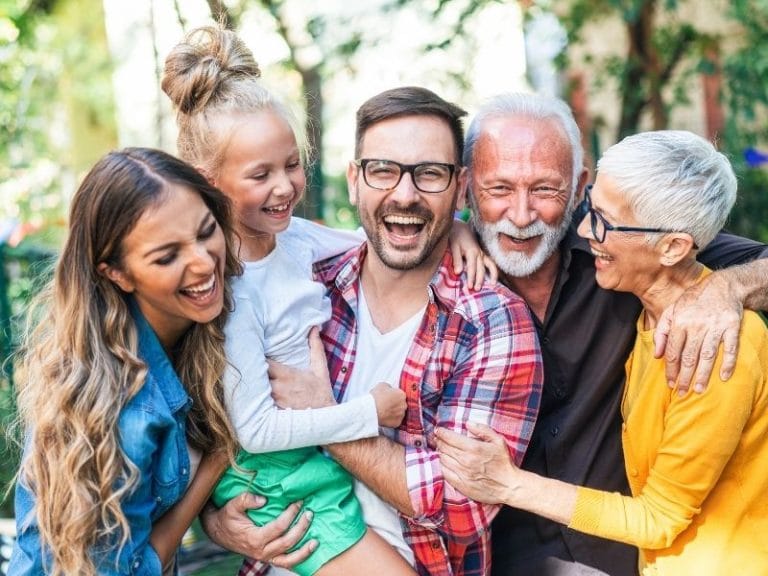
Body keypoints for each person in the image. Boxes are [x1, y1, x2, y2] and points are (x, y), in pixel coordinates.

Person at [162, 29, 491, 575]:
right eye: (260, 175)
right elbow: (255, 429)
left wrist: (456, 227)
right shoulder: (234, 290)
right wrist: (367, 414)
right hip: (277, 473)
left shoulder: (292, 240)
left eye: (291, 164)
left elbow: (383, 235)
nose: (285, 186)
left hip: (307, 466)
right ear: (210, 183)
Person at [453, 92, 768, 575]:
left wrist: (729, 285)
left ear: (578, 188)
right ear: (466, 188)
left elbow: (660, 516)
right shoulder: (448, 277)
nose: (520, 214)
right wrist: (452, 230)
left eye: (545, 190)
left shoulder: (693, 315)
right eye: (498, 189)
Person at [254, 86, 543, 576]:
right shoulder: (305, 289)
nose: (404, 194)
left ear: (460, 186)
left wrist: (323, 416)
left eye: (429, 174)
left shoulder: (492, 322)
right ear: (354, 180)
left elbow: (460, 506)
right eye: (383, 170)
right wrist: (218, 522)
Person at [9, 147, 241, 575]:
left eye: (207, 231)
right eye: (167, 257)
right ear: (116, 272)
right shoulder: (121, 410)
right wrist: (215, 465)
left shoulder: (196, 326)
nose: (204, 262)